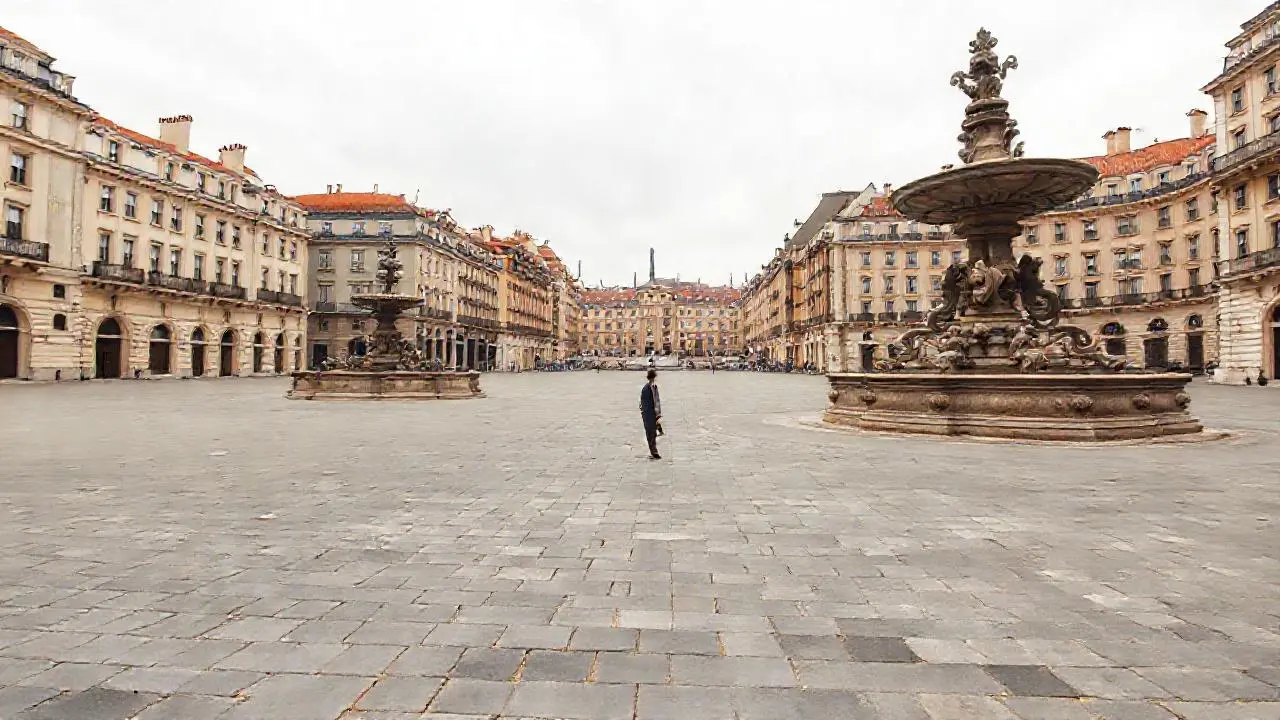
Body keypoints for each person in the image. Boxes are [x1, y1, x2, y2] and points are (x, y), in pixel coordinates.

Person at [639, 368, 661, 459]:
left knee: (653, 433)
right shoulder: (646, 389)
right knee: (650, 433)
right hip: (648, 414)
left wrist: (657, 414)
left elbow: (656, 401)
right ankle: (653, 451)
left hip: (653, 414)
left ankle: (654, 450)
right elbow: (644, 404)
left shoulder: (654, 387)